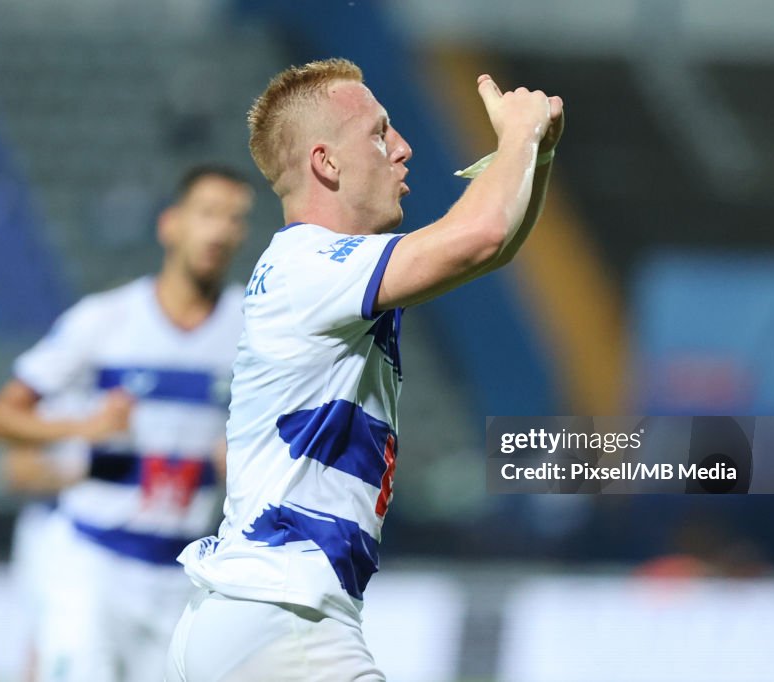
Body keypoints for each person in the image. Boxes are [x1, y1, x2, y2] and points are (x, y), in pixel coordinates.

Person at [165, 58, 564, 681]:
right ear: (326, 163)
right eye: (380, 133)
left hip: (247, 620)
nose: (402, 149)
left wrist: (532, 158)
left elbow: (491, 249)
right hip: (285, 619)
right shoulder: (312, 267)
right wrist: (517, 136)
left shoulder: (315, 269)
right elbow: (480, 235)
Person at [0, 164, 254, 682]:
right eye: (208, 213)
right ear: (170, 224)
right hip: (92, 560)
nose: (220, 230)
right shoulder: (105, 319)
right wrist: (84, 429)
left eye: (235, 218)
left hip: (183, 569)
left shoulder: (252, 328)